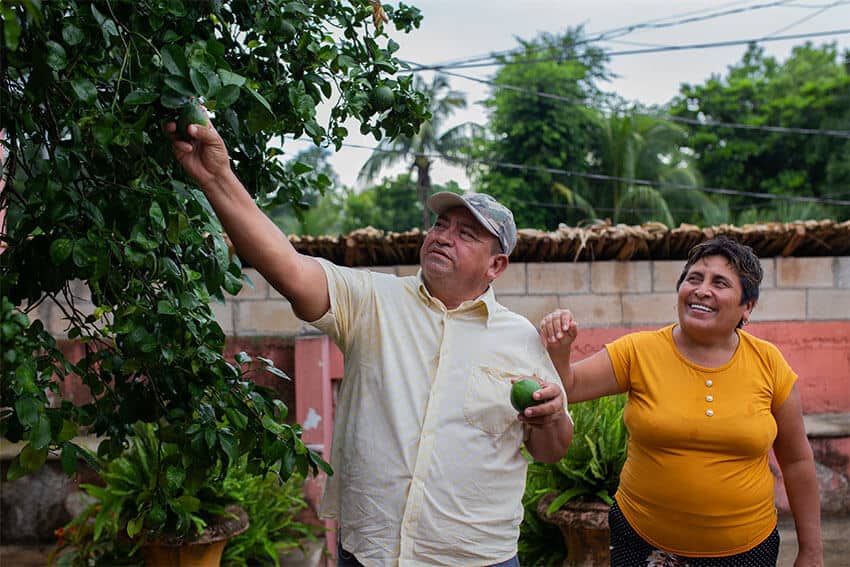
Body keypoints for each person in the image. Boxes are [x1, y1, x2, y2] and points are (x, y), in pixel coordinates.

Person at [168, 118, 573, 566]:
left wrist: (551, 417)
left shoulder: (520, 337)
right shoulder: (372, 300)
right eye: (441, 224)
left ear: (496, 265)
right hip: (373, 554)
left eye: (466, 234)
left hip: (478, 558)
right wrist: (216, 177)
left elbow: (550, 450)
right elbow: (286, 265)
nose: (443, 237)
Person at [538, 236, 823, 567]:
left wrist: (811, 551)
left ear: (747, 306)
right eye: (693, 278)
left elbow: (797, 462)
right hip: (643, 545)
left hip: (747, 550)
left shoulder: (769, 363)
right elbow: (568, 386)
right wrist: (559, 350)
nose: (702, 290)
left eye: (720, 283)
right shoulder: (639, 352)